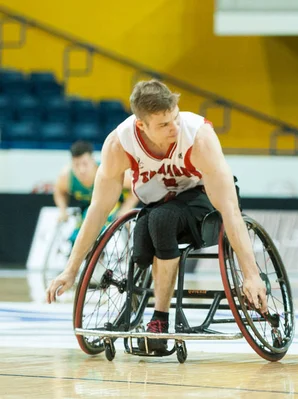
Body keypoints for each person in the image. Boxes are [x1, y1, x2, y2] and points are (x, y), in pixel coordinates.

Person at [46, 80, 268, 352]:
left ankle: (160, 319)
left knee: (162, 220)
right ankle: (136, 310)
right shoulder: (119, 144)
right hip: (160, 204)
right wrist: (71, 270)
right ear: (141, 126)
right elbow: (98, 211)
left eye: (175, 118)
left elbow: (231, 210)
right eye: (163, 125)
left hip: (203, 202)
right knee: (144, 237)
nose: (174, 128)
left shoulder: (198, 137)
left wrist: (251, 273)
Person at [53, 140, 139, 245]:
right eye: (76, 165)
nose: (81, 170)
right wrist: (62, 209)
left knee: (94, 232)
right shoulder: (66, 176)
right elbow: (59, 191)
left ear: (92, 160)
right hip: (89, 207)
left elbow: (136, 184)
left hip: (113, 203)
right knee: (77, 238)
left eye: (85, 164)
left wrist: (126, 208)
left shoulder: (107, 171)